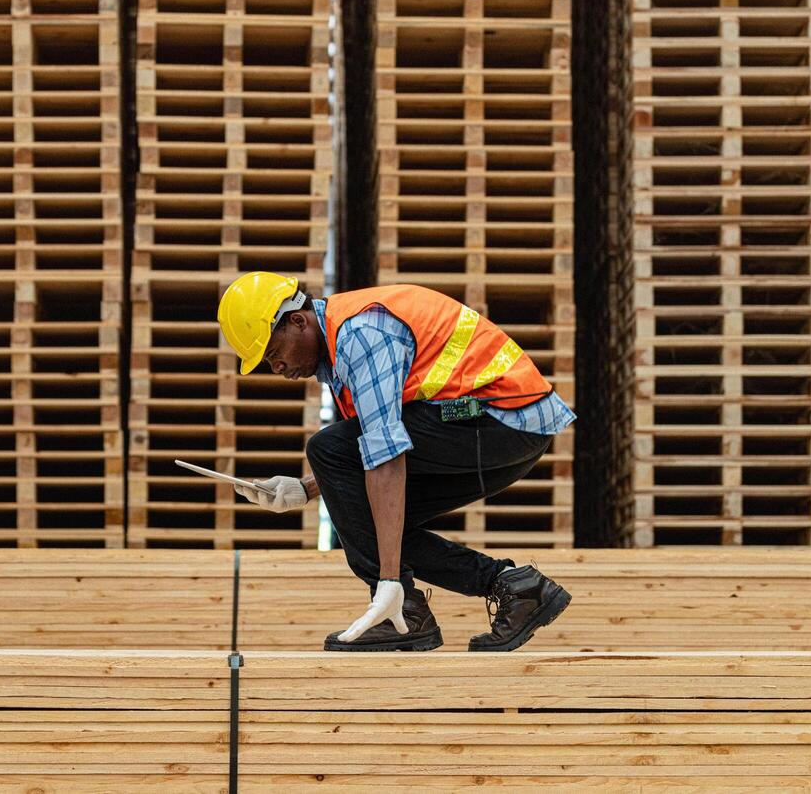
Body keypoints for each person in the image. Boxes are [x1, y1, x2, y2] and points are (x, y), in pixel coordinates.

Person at [217, 271, 576, 652]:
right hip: (492, 431)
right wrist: (304, 490)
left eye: (274, 354)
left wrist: (388, 580)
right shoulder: (342, 351)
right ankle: (516, 587)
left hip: (498, 418)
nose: (277, 369)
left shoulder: (360, 334)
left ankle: (401, 608)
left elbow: (384, 454)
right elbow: (372, 451)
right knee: (368, 521)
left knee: (327, 450)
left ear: (298, 321)